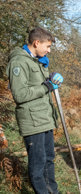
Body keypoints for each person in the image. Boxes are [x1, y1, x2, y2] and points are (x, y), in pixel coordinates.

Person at [6, 27, 63, 194]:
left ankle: (53, 191)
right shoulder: (19, 62)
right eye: (48, 46)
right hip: (32, 121)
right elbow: (20, 94)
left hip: (44, 118)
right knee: (38, 164)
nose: (49, 50)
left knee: (49, 160)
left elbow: (36, 83)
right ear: (36, 43)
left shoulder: (36, 60)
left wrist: (50, 78)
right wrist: (46, 86)